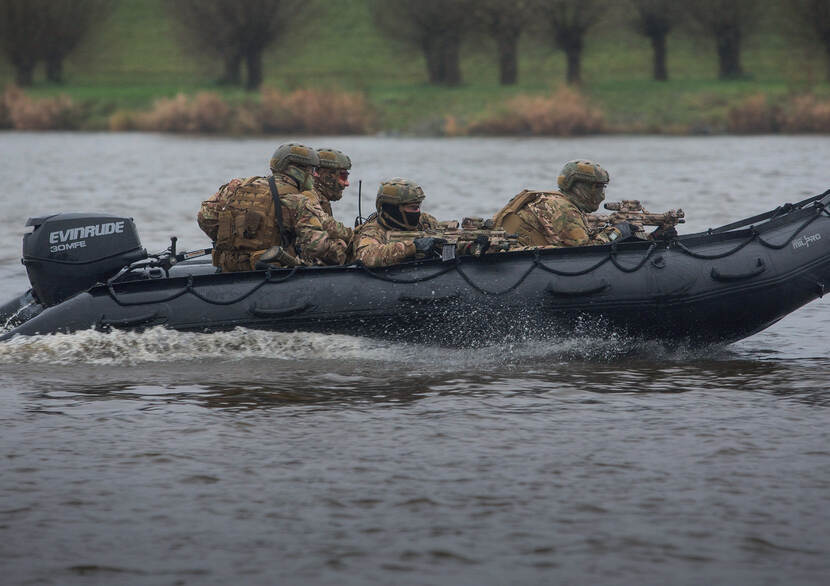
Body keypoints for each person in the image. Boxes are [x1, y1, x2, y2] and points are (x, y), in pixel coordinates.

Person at [197, 143, 349, 271]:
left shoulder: (237, 186)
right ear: (298, 171)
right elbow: (317, 245)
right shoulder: (297, 200)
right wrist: (343, 252)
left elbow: (205, 217)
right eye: (312, 170)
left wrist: (232, 242)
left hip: (229, 270)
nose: (314, 175)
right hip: (269, 274)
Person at [492, 159, 631, 247]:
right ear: (578, 187)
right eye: (597, 187)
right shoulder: (564, 208)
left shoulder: (555, 202)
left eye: (602, 187)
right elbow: (584, 251)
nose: (601, 195)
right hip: (515, 259)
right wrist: (617, 232)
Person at [350, 178, 442, 268]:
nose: (417, 212)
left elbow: (445, 233)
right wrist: (413, 247)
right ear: (393, 209)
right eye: (413, 207)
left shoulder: (424, 221)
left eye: (418, 206)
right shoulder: (373, 231)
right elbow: (366, 257)